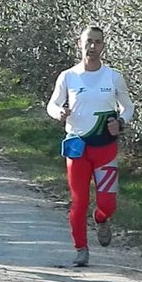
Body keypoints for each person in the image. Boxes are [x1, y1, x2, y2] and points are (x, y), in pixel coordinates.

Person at [46, 26, 134, 267]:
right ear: (79, 44)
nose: (92, 47)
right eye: (88, 42)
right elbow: (52, 105)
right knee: (79, 201)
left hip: (105, 149)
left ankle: (101, 218)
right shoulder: (69, 76)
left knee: (107, 203)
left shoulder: (113, 77)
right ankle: (81, 249)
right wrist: (60, 112)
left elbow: (128, 107)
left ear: (103, 45)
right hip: (78, 147)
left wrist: (121, 122)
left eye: (97, 42)